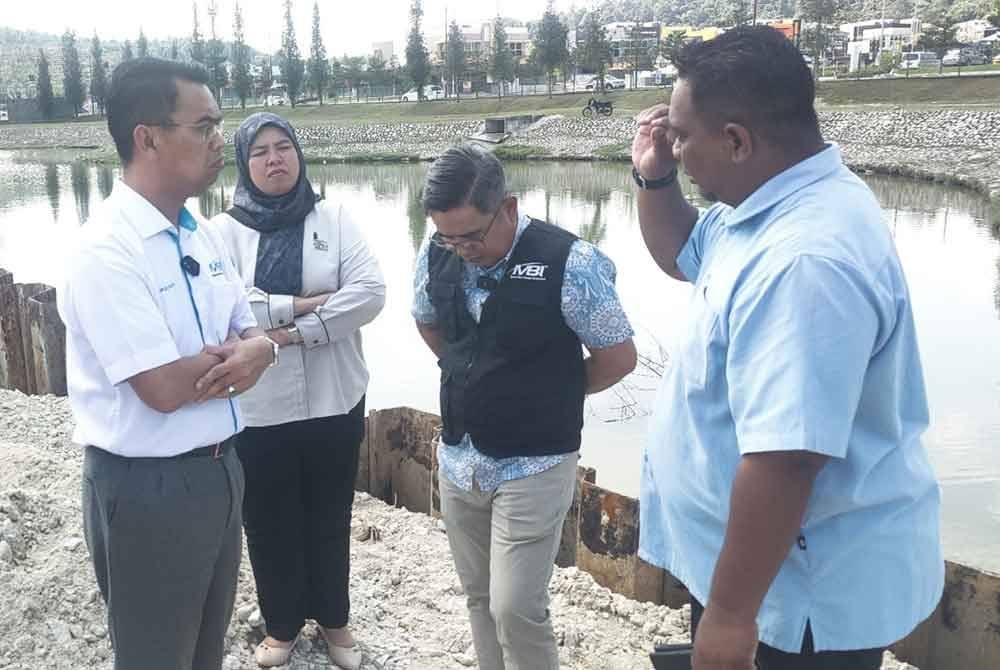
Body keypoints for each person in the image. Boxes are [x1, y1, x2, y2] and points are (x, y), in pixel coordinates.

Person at [631, 26, 943, 670]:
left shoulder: (805, 262)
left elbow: (785, 460)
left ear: (737, 140)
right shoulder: (767, 203)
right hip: (759, 579)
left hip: (795, 598)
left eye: (683, 137)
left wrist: (728, 617)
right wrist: (656, 179)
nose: (677, 148)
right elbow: (681, 255)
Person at [57, 58, 278, 670]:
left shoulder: (199, 234)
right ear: (147, 137)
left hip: (219, 470)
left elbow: (249, 333)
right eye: (204, 127)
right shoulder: (106, 249)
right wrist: (233, 360)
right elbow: (159, 387)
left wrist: (259, 348)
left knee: (206, 648)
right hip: (147, 485)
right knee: (157, 655)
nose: (219, 143)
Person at [412, 143, 637, 670]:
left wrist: (548, 391)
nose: (459, 248)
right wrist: (476, 378)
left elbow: (618, 357)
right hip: (461, 458)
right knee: (479, 597)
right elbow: (427, 320)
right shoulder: (437, 250)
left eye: (472, 235)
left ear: (508, 209)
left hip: (533, 462)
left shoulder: (570, 263)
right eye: (448, 235)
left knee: (516, 607)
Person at [211, 113, 385, 669]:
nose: (273, 159)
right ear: (244, 163)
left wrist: (285, 330)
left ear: (299, 154)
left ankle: (335, 621)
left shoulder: (333, 217)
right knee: (267, 517)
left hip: (336, 398)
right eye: (259, 151)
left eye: (283, 147)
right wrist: (305, 303)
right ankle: (281, 625)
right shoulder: (221, 231)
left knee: (330, 513)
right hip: (259, 406)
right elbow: (226, 310)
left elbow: (370, 292)